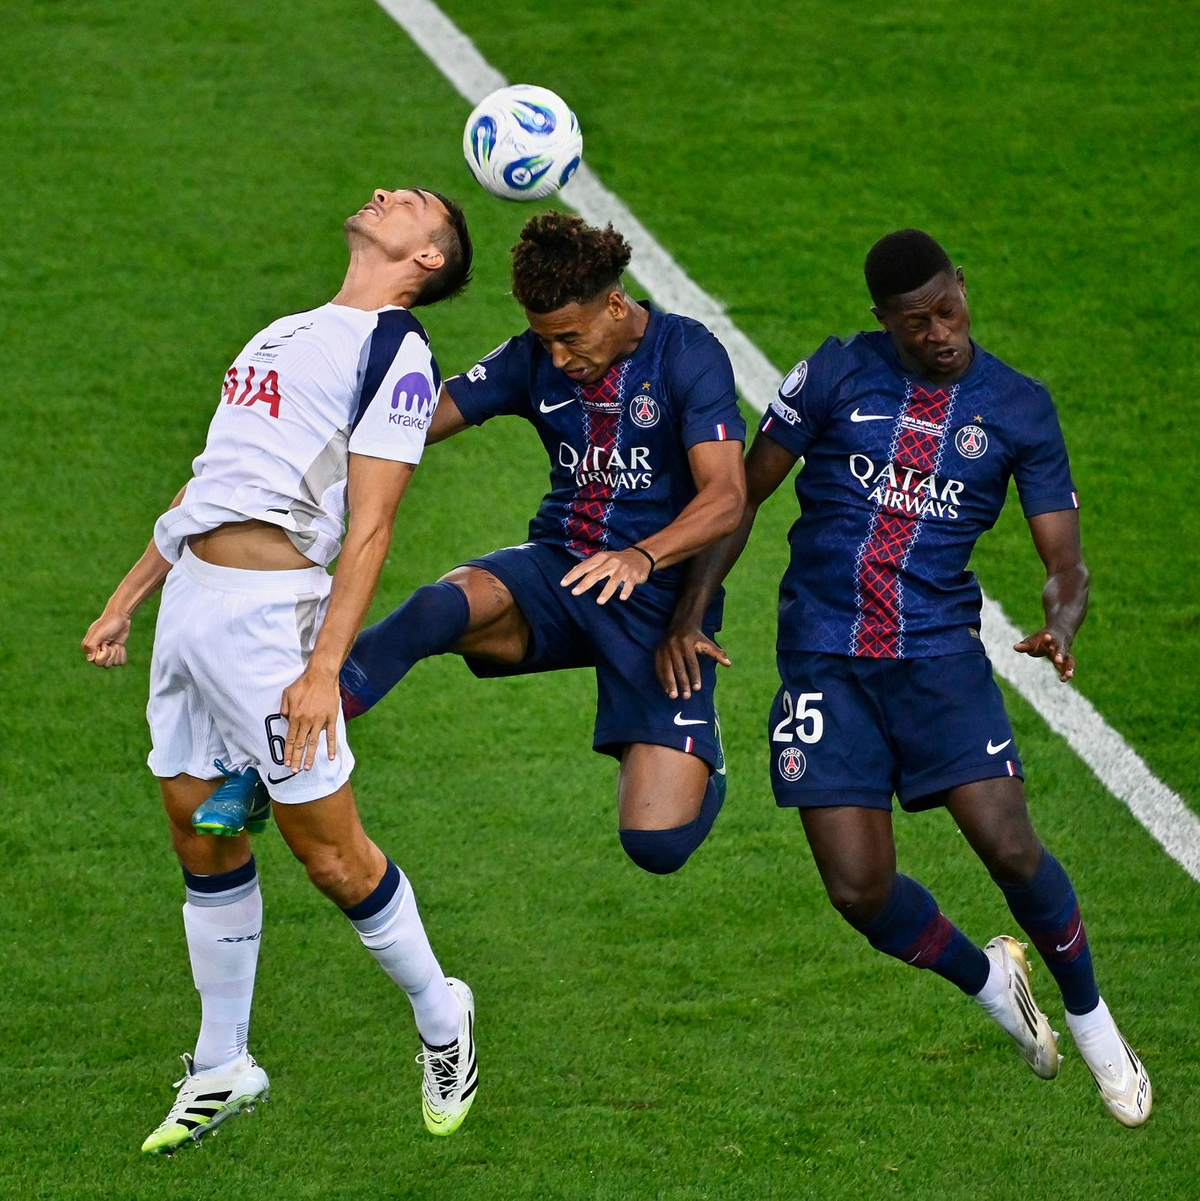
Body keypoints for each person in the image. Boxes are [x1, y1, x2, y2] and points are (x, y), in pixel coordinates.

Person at [657, 229, 1151, 1127]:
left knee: (1008, 846)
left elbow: (1062, 559)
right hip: (823, 660)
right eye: (915, 322)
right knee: (856, 889)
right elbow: (741, 496)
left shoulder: (1017, 408)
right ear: (883, 320)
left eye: (949, 310)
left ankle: (1091, 1016)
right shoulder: (837, 376)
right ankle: (990, 978)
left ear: (963, 288)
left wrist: (1063, 619)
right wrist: (693, 604)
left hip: (936, 659)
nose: (940, 333)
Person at [81, 187, 479, 1154]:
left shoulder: (398, 352)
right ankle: (224, 1063)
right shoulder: (282, 330)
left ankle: (442, 1013)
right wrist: (129, 595)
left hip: (275, 624)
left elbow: (374, 522)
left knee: (330, 853)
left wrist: (322, 669)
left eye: (412, 202)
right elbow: (204, 483)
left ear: (428, 258)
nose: (385, 193)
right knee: (194, 827)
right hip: (191, 608)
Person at [206, 213, 747, 872]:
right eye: (544, 340)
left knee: (656, 844)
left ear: (614, 304)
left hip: (657, 604)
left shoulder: (687, 353)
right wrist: (314, 411)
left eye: (569, 338)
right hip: (560, 574)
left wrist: (640, 555)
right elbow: (420, 420)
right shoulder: (532, 356)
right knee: (435, 609)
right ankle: (265, 762)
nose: (557, 357)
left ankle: (703, 757)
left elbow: (725, 497)